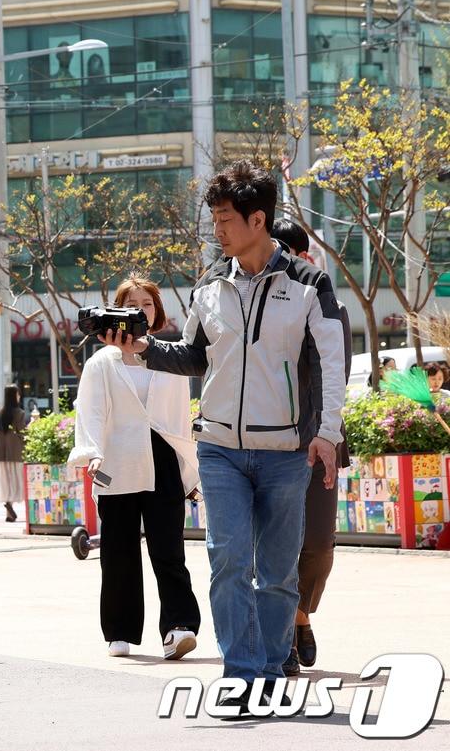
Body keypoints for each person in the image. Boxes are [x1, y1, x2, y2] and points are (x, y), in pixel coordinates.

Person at [104, 162, 344, 715]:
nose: (217, 230)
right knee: (229, 560)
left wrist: (327, 432)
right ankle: (241, 677)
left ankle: (267, 674)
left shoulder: (309, 285)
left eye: (224, 219)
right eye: (213, 218)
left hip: (286, 451)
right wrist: (140, 348)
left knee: (278, 575)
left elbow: (332, 362)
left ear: (258, 220)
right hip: (218, 449)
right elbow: (190, 355)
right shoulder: (211, 284)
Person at [70, 277, 201, 660]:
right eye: (132, 303)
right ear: (117, 311)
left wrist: (187, 470)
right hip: (116, 461)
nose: (140, 309)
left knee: (169, 549)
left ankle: (179, 627)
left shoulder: (169, 356)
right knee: (118, 549)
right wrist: (91, 451)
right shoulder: (101, 363)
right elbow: (90, 410)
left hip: (163, 459)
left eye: (147, 303)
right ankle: (120, 630)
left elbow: (179, 418)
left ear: (157, 311)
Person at [269, 219, 353, 678]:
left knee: (319, 544)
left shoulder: (330, 305)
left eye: (290, 252)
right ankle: (283, 631)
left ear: (305, 257)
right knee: (274, 544)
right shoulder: (256, 301)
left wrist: (330, 432)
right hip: (270, 441)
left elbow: (335, 374)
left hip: (320, 440)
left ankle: (301, 613)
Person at [0, 387, 26, 523]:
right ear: (15, 396)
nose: (19, 396)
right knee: (16, 481)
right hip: (16, 452)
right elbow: (22, 432)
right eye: (18, 394)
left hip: (2, 453)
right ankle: (10, 507)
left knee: (6, 482)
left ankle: (9, 512)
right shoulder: (20, 413)